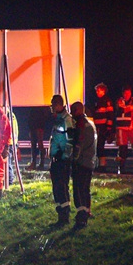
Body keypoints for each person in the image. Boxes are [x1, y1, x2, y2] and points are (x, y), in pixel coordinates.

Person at [70, 101, 97, 229]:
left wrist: (73, 159)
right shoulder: (90, 124)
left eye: (72, 111)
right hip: (89, 161)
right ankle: (87, 211)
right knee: (85, 189)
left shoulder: (81, 125)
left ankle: (82, 216)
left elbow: (79, 145)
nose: (71, 114)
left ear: (78, 110)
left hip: (82, 162)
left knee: (79, 189)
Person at [48, 94, 74, 227]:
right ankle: (61, 215)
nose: (51, 107)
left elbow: (70, 141)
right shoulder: (58, 119)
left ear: (58, 105)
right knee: (57, 187)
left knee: (62, 186)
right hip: (57, 158)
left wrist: (64, 157)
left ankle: (65, 216)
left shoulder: (66, 119)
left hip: (62, 160)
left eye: (53, 105)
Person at [91, 83, 115, 173]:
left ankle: (102, 165)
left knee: (100, 146)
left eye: (98, 90)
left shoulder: (107, 101)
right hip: (98, 128)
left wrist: (108, 128)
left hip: (103, 128)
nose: (97, 92)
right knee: (98, 146)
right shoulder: (98, 101)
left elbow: (110, 115)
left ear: (103, 91)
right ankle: (99, 165)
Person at [27, 104, 51, 170]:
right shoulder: (35, 105)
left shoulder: (42, 105)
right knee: (34, 144)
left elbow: (45, 114)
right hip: (34, 125)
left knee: (39, 144)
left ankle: (41, 163)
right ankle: (34, 163)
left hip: (39, 125)